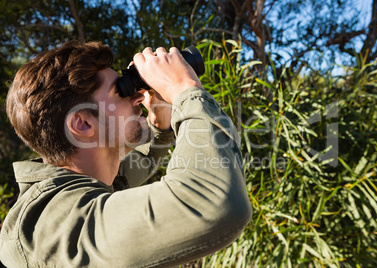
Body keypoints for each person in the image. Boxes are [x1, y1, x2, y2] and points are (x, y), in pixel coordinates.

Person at [0, 40, 252, 267]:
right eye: (120, 90)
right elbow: (214, 203)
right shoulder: (51, 227)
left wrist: (160, 119)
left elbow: (138, 163)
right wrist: (184, 88)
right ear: (82, 124)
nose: (135, 97)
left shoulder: (80, 188)